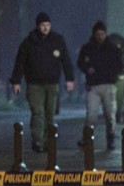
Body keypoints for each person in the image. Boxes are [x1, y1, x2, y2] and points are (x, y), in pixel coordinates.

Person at [9, 12, 75, 152]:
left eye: (48, 25)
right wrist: (16, 81)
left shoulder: (58, 40)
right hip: (34, 84)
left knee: (50, 114)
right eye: (43, 25)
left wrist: (70, 78)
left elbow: (66, 60)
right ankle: (37, 140)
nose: (45, 28)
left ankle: (47, 142)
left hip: (52, 83)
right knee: (38, 112)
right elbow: (20, 62)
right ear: (38, 26)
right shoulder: (28, 42)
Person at [76, 21, 122, 150]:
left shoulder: (113, 48)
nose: (100, 36)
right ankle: (87, 138)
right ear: (94, 34)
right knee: (91, 114)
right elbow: (80, 62)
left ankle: (110, 138)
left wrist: (112, 75)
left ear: (105, 34)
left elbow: (119, 65)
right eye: (98, 34)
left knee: (110, 114)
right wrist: (87, 68)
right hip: (94, 85)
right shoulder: (88, 48)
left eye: (102, 34)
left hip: (108, 84)